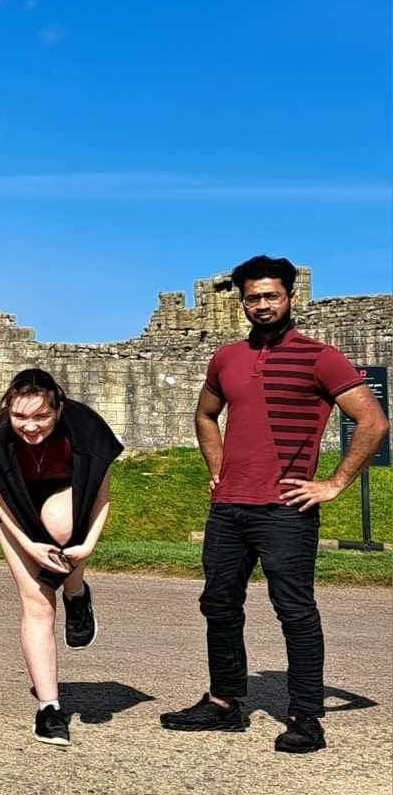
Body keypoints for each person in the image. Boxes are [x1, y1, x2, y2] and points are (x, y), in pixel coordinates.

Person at [160, 255, 387, 754]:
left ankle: (306, 716)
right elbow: (205, 415)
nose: (262, 305)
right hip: (229, 507)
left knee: (295, 611)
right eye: (253, 297)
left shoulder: (321, 358)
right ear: (241, 302)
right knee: (218, 605)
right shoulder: (227, 358)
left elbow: (373, 422)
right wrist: (217, 470)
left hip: (286, 509)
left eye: (271, 296)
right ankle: (224, 704)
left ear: (289, 297)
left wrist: (334, 483)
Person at [0, 369, 122, 746]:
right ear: (7, 409)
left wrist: (88, 545)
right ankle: (49, 709)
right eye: (20, 417)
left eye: (41, 416)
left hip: (68, 499)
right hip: (16, 510)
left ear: (57, 409)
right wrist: (27, 544)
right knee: (37, 604)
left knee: (58, 527)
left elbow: (101, 494)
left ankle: (76, 591)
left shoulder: (85, 427)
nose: (30, 426)